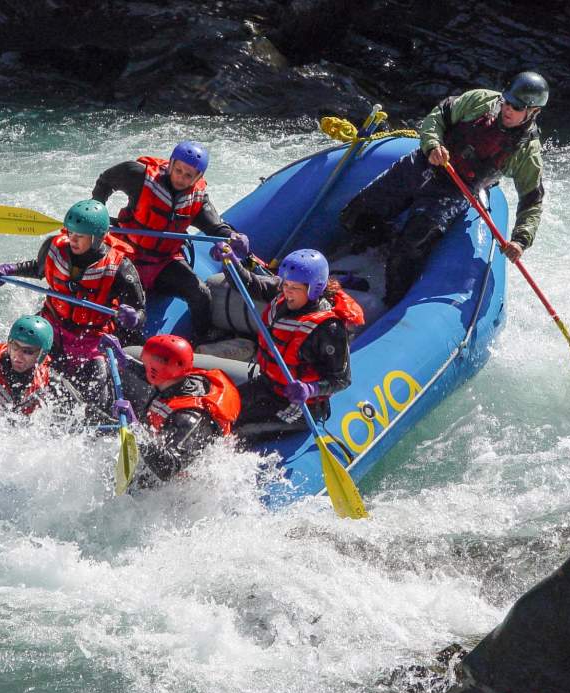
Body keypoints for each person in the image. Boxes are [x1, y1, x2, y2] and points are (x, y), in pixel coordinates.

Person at [335, 71, 549, 306]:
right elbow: (437, 116)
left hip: (457, 190)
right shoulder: (480, 101)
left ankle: (390, 303)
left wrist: (520, 239)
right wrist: (433, 144)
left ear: (533, 112)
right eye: (507, 101)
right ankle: (369, 247)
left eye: (517, 107)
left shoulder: (527, 152)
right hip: (424, 162)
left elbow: (532, 201)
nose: (508, 108)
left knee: (410, 246)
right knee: (357, 214)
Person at [0, 199, 146, 414]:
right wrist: (7, 269)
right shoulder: (54, 247)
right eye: (70, 233)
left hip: (91, 337)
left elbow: (141, 312)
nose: (72, 240)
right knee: (14, 366)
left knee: (98, 395)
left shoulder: (121, 268)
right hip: (50, 328)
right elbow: (38, 269)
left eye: (80, 236)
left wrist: (132, 318)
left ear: (97, 238)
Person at [91, 140, 248, 345]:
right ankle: (114, 341)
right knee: (108, 296)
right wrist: (97, 211)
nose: (181, 178)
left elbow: (215, 228)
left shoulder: (197, 198)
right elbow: (105, 181)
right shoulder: (139, 176)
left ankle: (203, 336)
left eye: (188, 175)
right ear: (171, 163)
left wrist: (232, 237)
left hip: (163, 262)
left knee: (200, 293)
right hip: (128, 256)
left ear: (198, 177)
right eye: (178, 170)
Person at [213, 245, 364, 435]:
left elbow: (342, 379)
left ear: (313, 290)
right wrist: (231, 263)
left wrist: (311, 389)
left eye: (294, 288)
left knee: (237, 429)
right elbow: (251, 284)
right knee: (220, 411)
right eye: (285, 285)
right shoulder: (283, 292)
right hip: (268, 384)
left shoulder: (329, 329)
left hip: (301, 405)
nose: (287, 291)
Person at [101, 333, 241, 485]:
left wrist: (135, 429)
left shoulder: (189, 418)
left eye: (146, 362)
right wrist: (124, 360)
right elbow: (152, 373)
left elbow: (168, 469)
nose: (144, 365)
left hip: (182, 482)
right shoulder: (175, 379)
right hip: (163, 452)